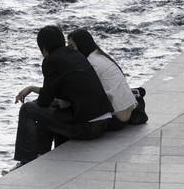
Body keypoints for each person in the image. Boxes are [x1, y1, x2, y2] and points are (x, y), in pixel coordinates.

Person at [11, 25, 113, 166]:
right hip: (103, 122)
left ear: (43, 48)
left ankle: (26, 161)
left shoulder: (51, 61)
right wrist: (33, 89)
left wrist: (36, 96)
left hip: (88, 128)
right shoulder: (75, 55)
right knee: (43, 110)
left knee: (28, 109)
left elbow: (45, 101)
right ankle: (40, 155)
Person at [67, 28, 141, 130]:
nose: (69, 51)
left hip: (116, 119)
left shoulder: (91, 64)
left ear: (82, 45)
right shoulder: (99, 56)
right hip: (126, 114)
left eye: (72, 47)